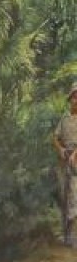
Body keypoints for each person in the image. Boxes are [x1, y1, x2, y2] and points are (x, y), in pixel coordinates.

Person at [52, 84, 77, 247]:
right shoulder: (65, 118)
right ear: (70, 99)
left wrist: (75, 153)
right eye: (74, 96)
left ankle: (74, 236)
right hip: (65, 159)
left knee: (75, 194)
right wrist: (60, 149)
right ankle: (67, 235)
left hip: (76, 158)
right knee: (65, 194)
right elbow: (55, 137)